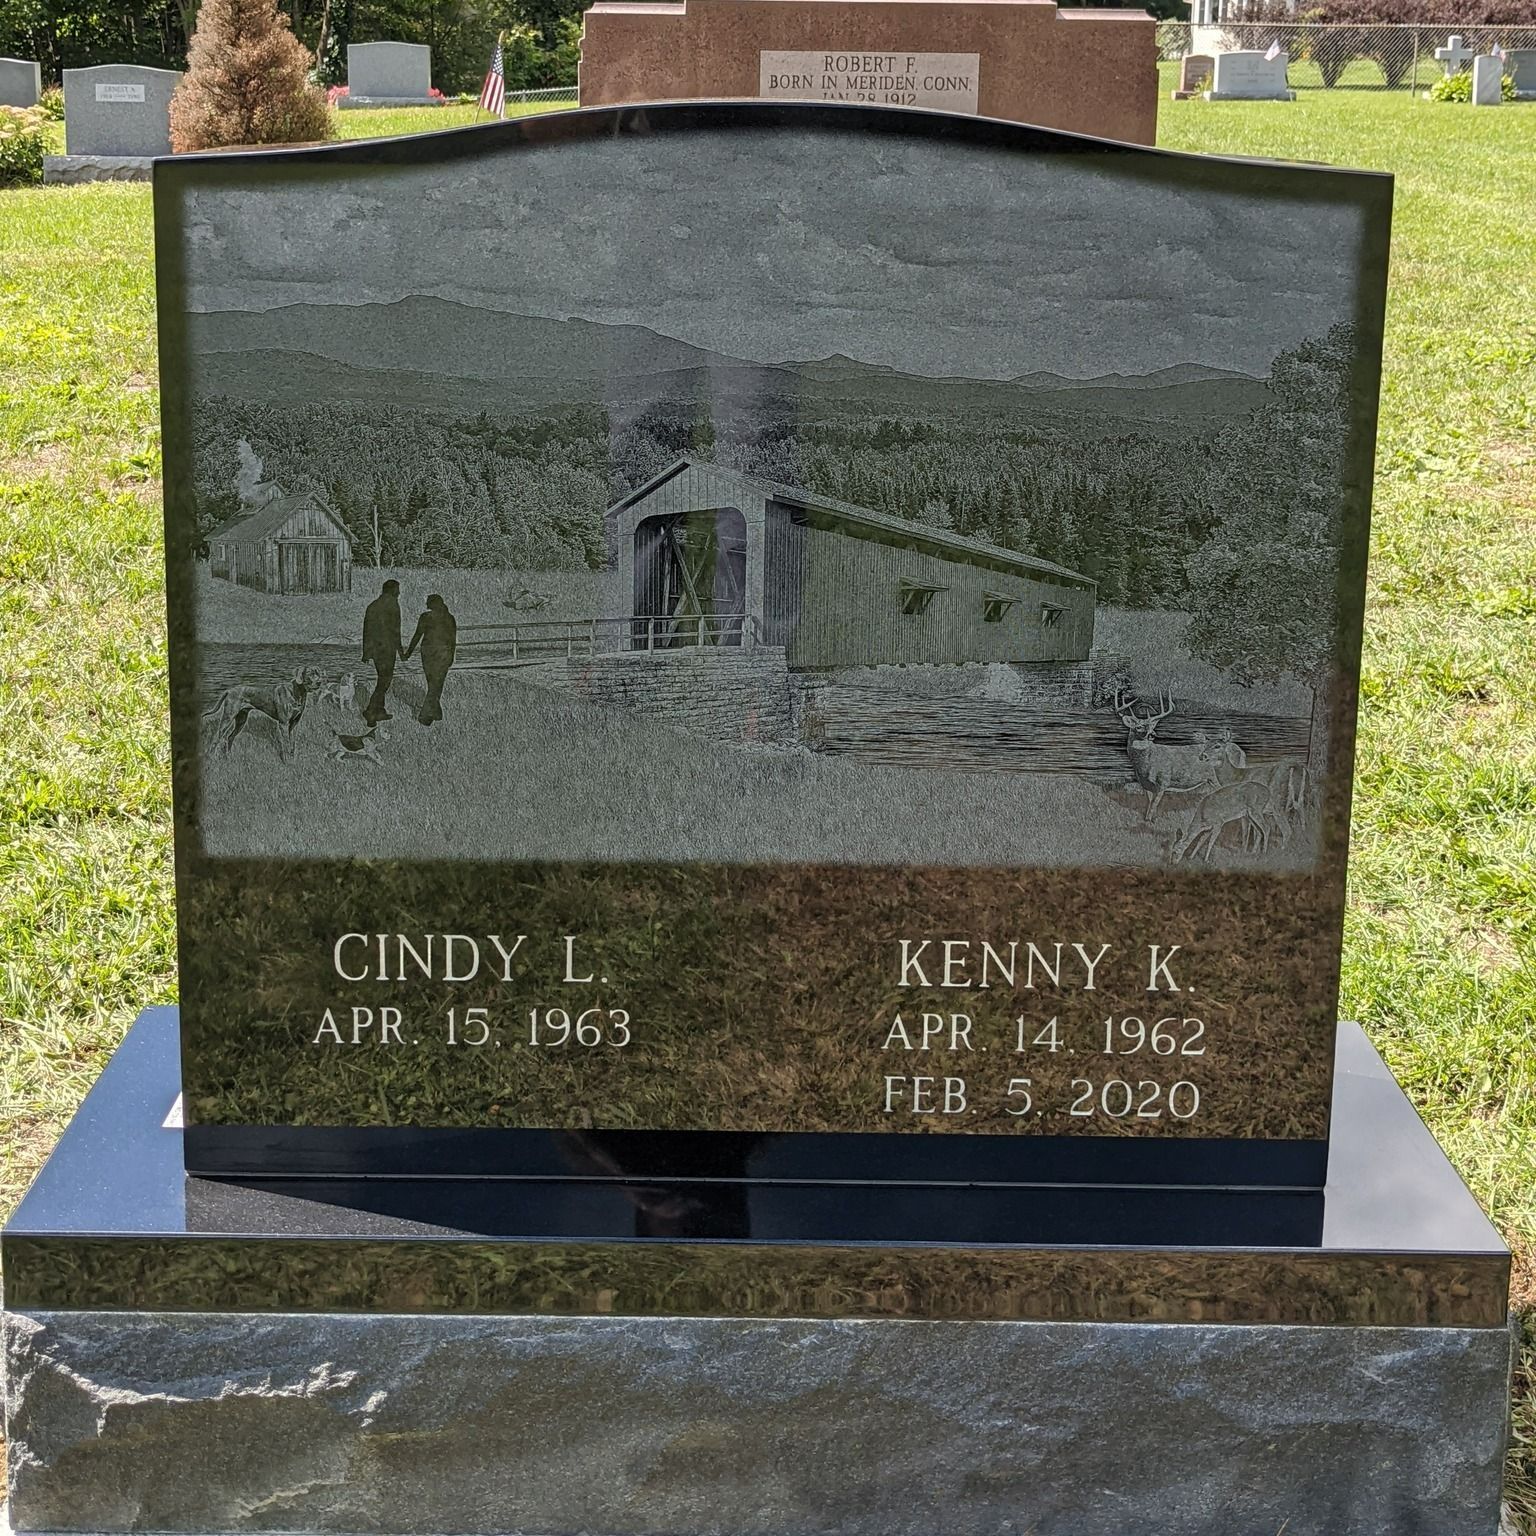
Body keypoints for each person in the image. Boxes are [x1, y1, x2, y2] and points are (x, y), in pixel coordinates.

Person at [404, 593, 457, 725]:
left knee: (433, 685)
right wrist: (451, 656)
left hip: (428, 654)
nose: (426, 604)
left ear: (433, 603)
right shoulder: (450, 618)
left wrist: (408, 653)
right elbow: (453, 640)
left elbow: (417, 636)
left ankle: (425, 717)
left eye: (428, 602)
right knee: (435, 685)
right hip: (443, 655)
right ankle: (436, 713)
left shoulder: (425, 617)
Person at [361, 579, 404, 725]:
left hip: (375, 650)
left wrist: (366, 653)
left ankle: (380, 711)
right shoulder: (393, 604)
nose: (399, 593)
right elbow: (396, 631)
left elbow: (366, 631)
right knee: (385, 681)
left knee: (382, 678)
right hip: (388, 649)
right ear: (392, 590)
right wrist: (401, 651)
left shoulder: (372, 606)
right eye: (397, 589)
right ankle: (371, 712)